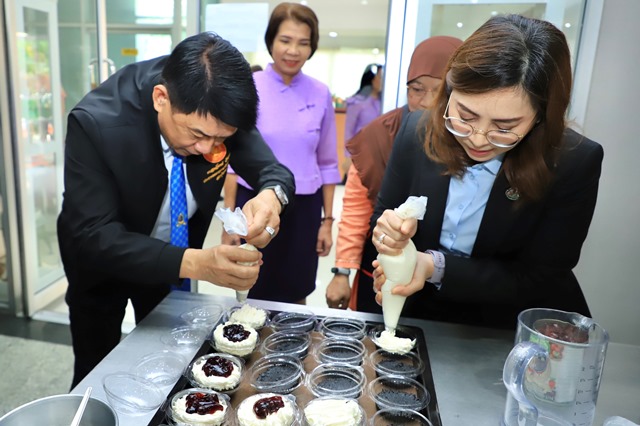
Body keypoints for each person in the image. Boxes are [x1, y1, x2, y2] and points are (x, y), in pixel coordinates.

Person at [58, 32, 295, 387]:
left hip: (172, 256)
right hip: (102, 262)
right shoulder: (96, 122)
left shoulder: (216, 108)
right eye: (197, 135)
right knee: (95, 366)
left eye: (220, 139)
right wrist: (198, 264)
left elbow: (274, 172)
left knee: (171, 359)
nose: (208, 148)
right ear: (161, 98)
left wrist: (270, 197)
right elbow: (94, 235)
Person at [369, 14, 603, 329]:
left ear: (541, 116)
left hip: (508, 323)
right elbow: (384, 213)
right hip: (422, 312)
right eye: (465, 116)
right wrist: (389, 236)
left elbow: (541, 277)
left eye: (504, 127)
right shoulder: (416, 130)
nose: (478, 139)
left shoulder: (573, 162)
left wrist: (435, 266)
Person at [326, 36, 462, 311]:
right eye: (416, 90)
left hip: (449, 281)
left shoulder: (471, 140)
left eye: (438, 91)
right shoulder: (379, 136)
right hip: (381, 270)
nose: (425, 102)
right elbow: (355, 212)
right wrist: (342, 272)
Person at [222, 2, 340, 304]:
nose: (293, 51)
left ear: (312, 47)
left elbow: (328, 163)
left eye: (303, 43)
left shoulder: (320, 92)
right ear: (271, 41)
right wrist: (230, 221)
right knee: (251, 285)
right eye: (285, 40)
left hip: (305, 208)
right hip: (255, 202)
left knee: (297, 290)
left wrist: (327, 222)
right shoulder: (250, 87)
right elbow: (233, 162)